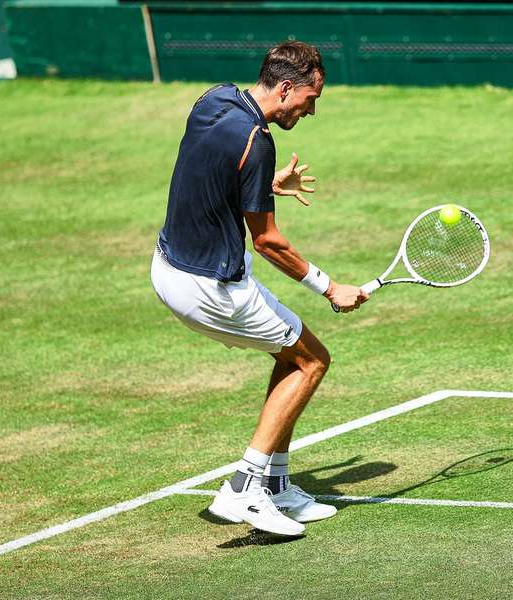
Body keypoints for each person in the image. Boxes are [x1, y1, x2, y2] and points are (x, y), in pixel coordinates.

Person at [150, 41, 368, 537]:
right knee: (313, 360)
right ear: (288, 87)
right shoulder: (259, 140)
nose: (311, 110)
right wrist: (329, 287)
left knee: (287, 355)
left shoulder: (215, 99)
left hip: (166, 267)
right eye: (311, 98)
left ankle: (276, 484)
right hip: (209, 285)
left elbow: (212, 167)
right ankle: (244, 487)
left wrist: (263, 185)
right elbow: (268, 241)